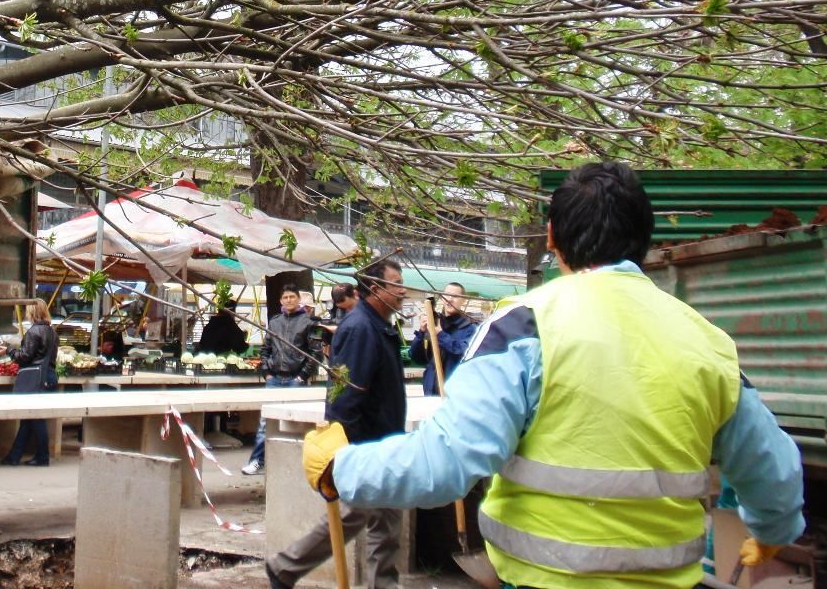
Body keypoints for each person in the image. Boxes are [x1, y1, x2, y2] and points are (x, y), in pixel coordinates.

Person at [303, 162, 805, 589]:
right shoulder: (706, 339)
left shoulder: (523, 327)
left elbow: (447, 462)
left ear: (551, 238)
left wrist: (341, 468)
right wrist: (775, 527)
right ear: (645, 241)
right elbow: (772, 463)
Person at [266, 258, 407, 589]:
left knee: (381, 521)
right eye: (395, 283)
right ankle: (286, 567)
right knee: (359, 516)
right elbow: (344, 396)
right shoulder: (360, 329)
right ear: (374, 289)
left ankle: (287, 568)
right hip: (367, 446)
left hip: (386, 443)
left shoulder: (381, 326)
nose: (402, 291)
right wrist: (345, 451)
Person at [242, 283, 317, 476]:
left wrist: (302, 377)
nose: (289, 300)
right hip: (274, 378)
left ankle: (295, 463)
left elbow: (315, 353)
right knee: (265, 422)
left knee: (295, 422)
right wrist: (267, 371)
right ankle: (257, 461)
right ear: (280, 300)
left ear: (299, 299)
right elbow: (266, 349)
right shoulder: (274, 322)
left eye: (292, 296)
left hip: (295, 379)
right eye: (285, 297)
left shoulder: (308, 323)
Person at [0, 299, 59, 466]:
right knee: (29, 419)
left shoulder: (34, 331)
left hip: (34, 379)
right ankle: (14, 456)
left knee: (35, 418)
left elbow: (24, 356)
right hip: (49, 376)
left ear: (31, 312)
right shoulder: (52, 332)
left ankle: (43, 457)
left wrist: (8, 350)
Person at [407, 281, 477, 395]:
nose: (450, 299)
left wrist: (440, 334)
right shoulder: (434, 322)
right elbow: (416, 357)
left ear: (463, 300)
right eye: (447, 295)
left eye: (455, 296)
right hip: (430, 391)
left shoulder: (470, 328)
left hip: (454, 393)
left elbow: (462, 353)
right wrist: (421, 332)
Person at [319, 282, 358, 359]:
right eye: (343, 308)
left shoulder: (368, 312)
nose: (348, 311)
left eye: (350, 307)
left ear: (355, 294)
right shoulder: (335, 309)